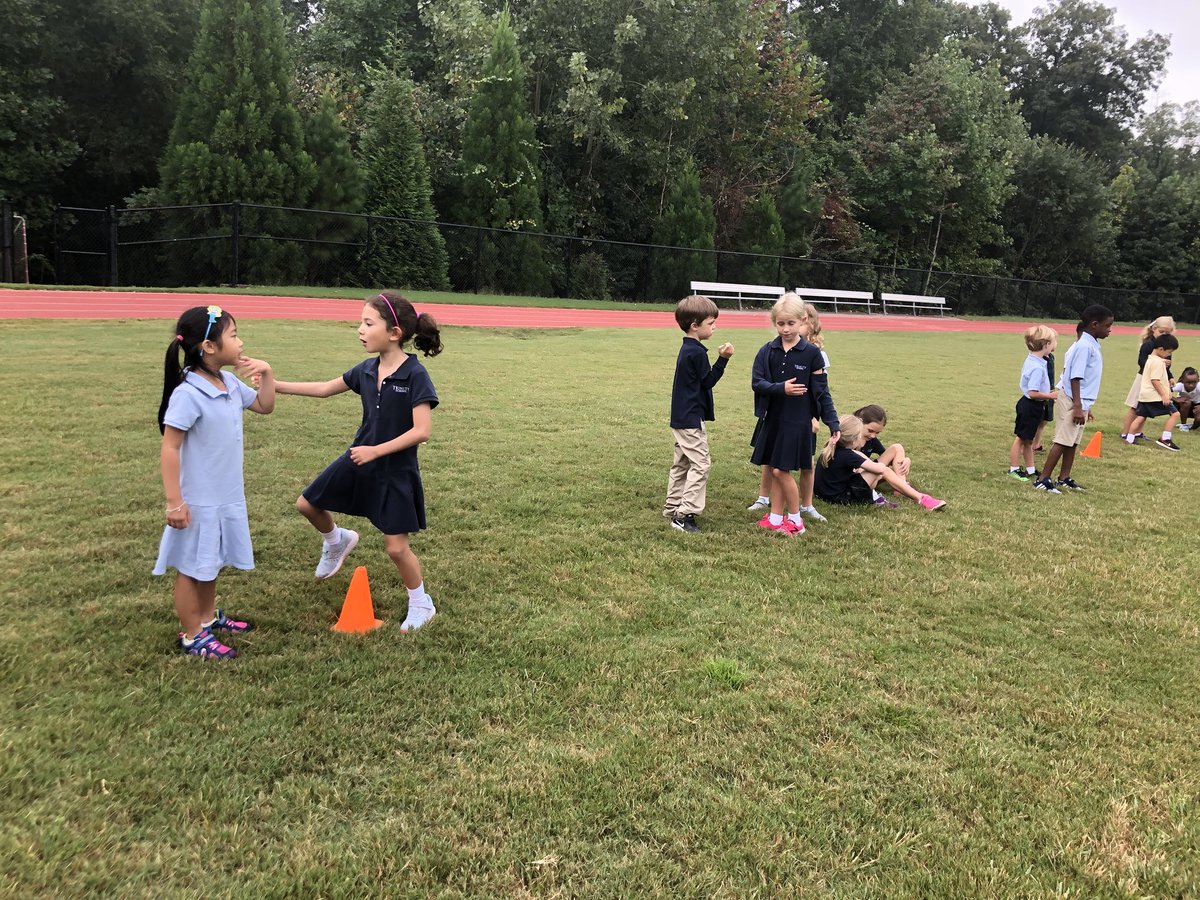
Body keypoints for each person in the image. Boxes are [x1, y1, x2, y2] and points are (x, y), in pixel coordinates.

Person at [275, 293, 442, 633]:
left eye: (368, 323)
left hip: (394, 470)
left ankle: (421, 603)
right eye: (360, 323)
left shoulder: (415, 374)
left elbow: (422, 431)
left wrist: (377, 451)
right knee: (307, 504)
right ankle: (337, 540)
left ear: (394, 332)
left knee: (396, 548)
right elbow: (324, 388)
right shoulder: (366, 369)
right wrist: (274, 385)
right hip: (358, 458)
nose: (360, 330)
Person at [153, 305, 276, 659]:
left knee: (209, 563)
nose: (240, 342)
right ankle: (193, 635)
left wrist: (266, 374)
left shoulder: (228, 383)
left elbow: (265, 407)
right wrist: (174, 501)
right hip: (198, 499)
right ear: (208, 346)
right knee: (192, 568)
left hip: (225, 494)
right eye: (234, 335)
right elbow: (170, 447)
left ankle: (206, 619)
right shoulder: (188, 393)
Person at [750, 293, 839, 535]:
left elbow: (822, 393)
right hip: (774, 421)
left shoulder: (812, 354)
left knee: (780, 470)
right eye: (781, 323)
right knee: (780, 469)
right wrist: (782, 388)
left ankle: (796, 519)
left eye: (791, 323)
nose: (786, 329)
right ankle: (776, 518)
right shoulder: (767, 351)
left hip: (798, 423)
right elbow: (757, 383)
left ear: (802, 321)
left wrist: (833, 422)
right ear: (774, 322)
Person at [664, 294, 734, 533]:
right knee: (701, 464)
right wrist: (723, 360)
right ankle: (684, 515)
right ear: (695, 325)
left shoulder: (688, 349)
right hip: (690, 419)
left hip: (682, 417)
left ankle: (673, 506)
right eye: (711, 323)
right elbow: (708, 381)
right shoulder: (696, 353)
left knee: (682, 463)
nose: (715, 327)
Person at [1034, 305, 1114, 493]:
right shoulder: (1084, 346)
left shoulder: (1092, 343)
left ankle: (1064, 478)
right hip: (1071, 399)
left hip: (1080, 401)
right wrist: (1077, 405)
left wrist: (1086, 405)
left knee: (1073, 441)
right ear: (1094, 325)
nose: (1110, 329)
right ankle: (1042, 479)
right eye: (1108, 325)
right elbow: (1075, 376)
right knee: (1063, 440)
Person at [814, 415, 946, 510]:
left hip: (826, 494)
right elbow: (880, 469)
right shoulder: (848, 455)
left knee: (877, 469)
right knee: (883, 470)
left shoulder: (833, 449)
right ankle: (921, 498)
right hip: (840, 498)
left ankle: (897, 489)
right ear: (854, 439)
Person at [1009, 325, 1059, 481]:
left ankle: (1031, 470)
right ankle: (1014, 468)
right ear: (1045, 345)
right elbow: (1032, 392)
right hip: (1030, 406)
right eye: (1053, 342)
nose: (1054, 345)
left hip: (1034, 405)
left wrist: (1047, 394)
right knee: (1021, 438)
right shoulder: (1037, 366)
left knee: (1029, 441)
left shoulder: (1035, 359)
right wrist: (1051, 396)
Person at [1120, 316, 1176, 442]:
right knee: (1135, 406)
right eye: (1162, 332)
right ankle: (1125, 433)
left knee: (1144, 408)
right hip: (1144, 379)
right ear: (1153, 329)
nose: (1164, 335)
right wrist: (1159, 362)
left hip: (1157, 380)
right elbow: (1141, 361)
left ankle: (1137, 433)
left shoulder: (1167, 346)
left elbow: (1166, 367)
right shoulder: (1149, 344)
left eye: (1168, 333)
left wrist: (1170, 376)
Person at [1125, 333, 1182, 451]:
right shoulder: (1158, 362)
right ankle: (1165, 438)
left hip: (1144, 395)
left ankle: (1129, 438)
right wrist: (1164, 395)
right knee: (1175, 414)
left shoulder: (1150, 359)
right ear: (1161, 349)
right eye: (1169, 352)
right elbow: (1155, 380)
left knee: (1141, 416)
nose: (1169, 355)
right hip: (1154, 396)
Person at [853, 404, 911, 506]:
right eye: (870, 430)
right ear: (860, 422)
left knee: (897, 448)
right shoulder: (849, 438)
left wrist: (907, 460)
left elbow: (889, 457)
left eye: (877, 433)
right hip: (854, 478)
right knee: (881, 470)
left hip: (869, 473)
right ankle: (901, 486)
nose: (873, 435)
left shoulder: (871, 439)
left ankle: (902, 486)